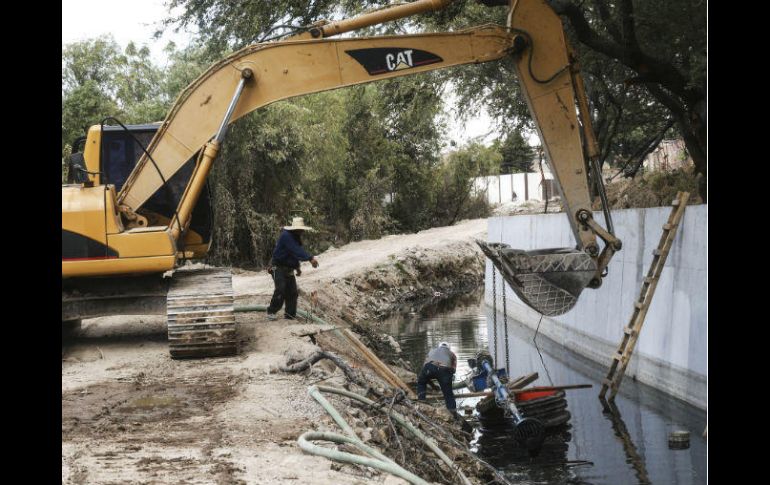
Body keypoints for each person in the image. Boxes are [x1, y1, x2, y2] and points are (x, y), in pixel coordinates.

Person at [267, 217, 319, 320]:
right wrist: (310, 258)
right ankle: (271, 311)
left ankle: (290, 315)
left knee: (292, 293)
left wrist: (297, 267)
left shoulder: (296, 237)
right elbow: (296, 250)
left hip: (288, 268)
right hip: (278, 267)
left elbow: (293, 254)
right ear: (296, 229)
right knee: (281, 288)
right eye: (301, 229)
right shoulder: (286, 236)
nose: (302, 231)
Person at [417, 342, 458, 417]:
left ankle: (421, 401)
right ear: (449, 348)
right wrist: (447, 380)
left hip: (429, 366)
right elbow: (453, 369)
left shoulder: (432, 351)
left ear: (439, 347)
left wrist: (433, 386)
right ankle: (453, 412)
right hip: (444, 369)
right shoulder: (452, 354)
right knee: (448, 394)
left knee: (421, 382)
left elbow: (424, 368)